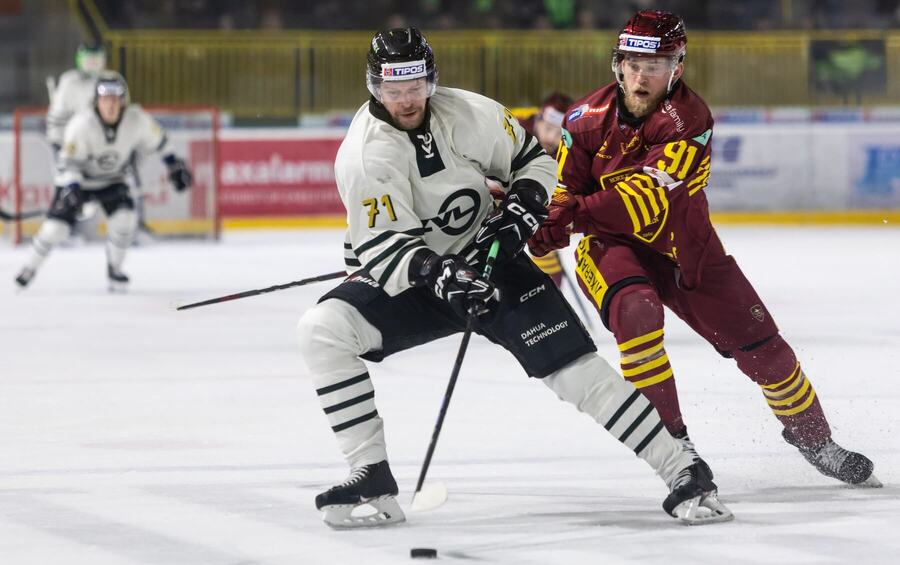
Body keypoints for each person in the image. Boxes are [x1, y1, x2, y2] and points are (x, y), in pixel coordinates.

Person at [296, 27, 733, 530]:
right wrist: (436, 271)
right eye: (394, 89)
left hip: (495, 263)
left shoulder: (471, 112)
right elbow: (383, 247)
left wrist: (524, 204)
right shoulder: (364, 155)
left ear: (431, 80)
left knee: (577, 374)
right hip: (421, 278)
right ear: (374, 86)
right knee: (322, 329)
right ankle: (369, 472)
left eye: (415, 85)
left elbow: (534, 161)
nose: (406, 99)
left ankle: (684, 470)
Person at [529, 10, 879, 487]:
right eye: (632, 63)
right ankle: (675, 447)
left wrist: (567, 217)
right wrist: (550, 218)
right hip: (611, 247)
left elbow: (645, 197)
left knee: (768, 353)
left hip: (687, 251)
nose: (640, 75)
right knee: (636, 311)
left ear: (678, 68)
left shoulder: (690, 120)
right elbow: (564, 187)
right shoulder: (584, 119)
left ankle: (815, 440)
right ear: (618, 63)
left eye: (654, 65)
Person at [15, 71, 193, 291]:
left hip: (113, 181)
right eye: (105, 99)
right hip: (80, 182)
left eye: (115, 99)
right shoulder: (81, 125)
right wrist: (72, 189)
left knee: (126, 219)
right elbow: (68, 164)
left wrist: (175, 166)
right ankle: (29, 269)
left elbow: (160, 143)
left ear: (123, 100)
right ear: (96, 101)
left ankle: (115, 270)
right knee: (55, 230)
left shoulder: (136, 119)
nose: (110, 105)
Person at [516, 92, 573, 288]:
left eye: (558, 133)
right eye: (548, 128)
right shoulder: (515, 131)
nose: (550, 137)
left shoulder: (570, 150)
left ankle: (550, 291)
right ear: (538, 119)